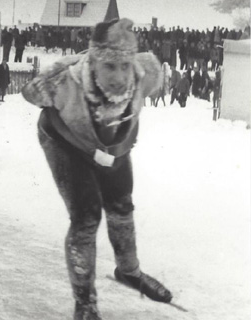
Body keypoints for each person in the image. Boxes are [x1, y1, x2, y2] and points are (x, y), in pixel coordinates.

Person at [21, 18, 173, 319]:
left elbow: (142, 78)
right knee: (86, 217)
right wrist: (62, 68)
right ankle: (85, 302)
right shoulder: (63, 80)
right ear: (92, 63)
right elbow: (30, 92)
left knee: (121, 205)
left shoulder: (149, 74)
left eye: (124, 66)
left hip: (112, 145)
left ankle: (129, 270)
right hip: (66, 144)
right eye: (109, 67)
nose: (119, 76)